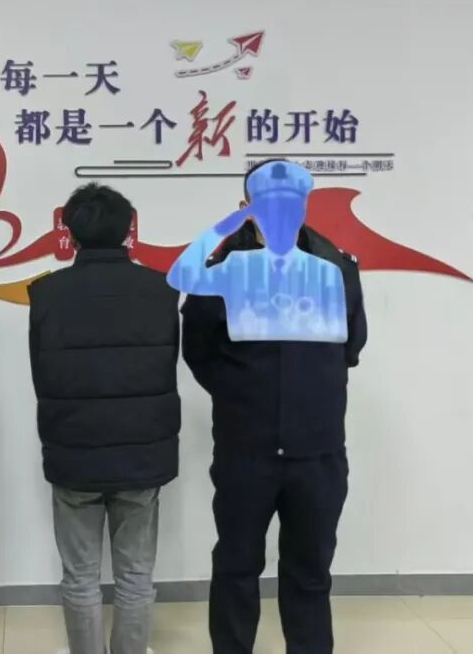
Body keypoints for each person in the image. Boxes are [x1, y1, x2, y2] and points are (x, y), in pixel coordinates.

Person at [178, 159, 367, 654]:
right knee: (236, 567)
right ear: (246, 207)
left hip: (318, 454)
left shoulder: (337, 269)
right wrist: (243, 393)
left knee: (310, 572)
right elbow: (198, 350)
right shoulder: (219, 273)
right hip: (246, 452)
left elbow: (351, 347)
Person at [28, 183, 181, 654]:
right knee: (136, 574)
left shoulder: (46, 293)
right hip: (142, 454)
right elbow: (165, 365)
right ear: (128, 231)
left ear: (70, 233)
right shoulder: (161, 289)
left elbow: (42, 374)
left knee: (79, 576)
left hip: (74, 451)